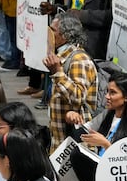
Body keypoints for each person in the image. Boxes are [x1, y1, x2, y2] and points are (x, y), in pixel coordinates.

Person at [42, 13, 98, 151]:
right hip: (61, 141)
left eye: (53, 30)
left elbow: (78, 97)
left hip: (75, 144)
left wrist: (57, 73)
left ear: (65, 35)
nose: (49, 34)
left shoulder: (79, 59)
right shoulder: (62, 57)